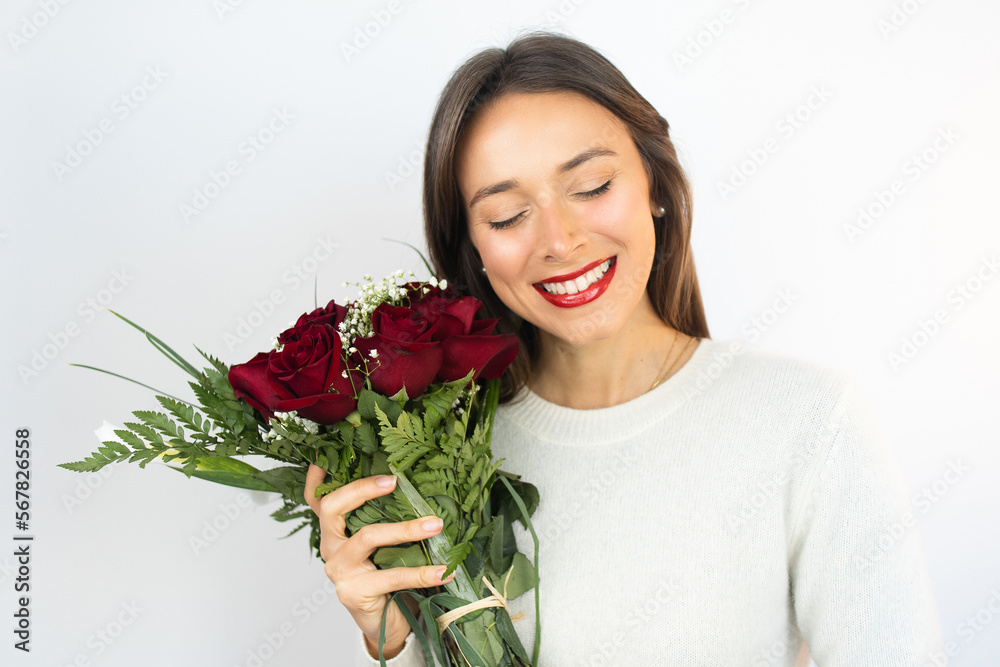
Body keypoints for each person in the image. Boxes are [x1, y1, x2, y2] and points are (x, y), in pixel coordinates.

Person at [304, 31, 946, 666]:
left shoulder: (810, 422)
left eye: (591, 186)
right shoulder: (441, 455)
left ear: (656, 186)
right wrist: (390, 639)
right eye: (507, 216)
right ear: (473, 247)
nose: (559, 241)